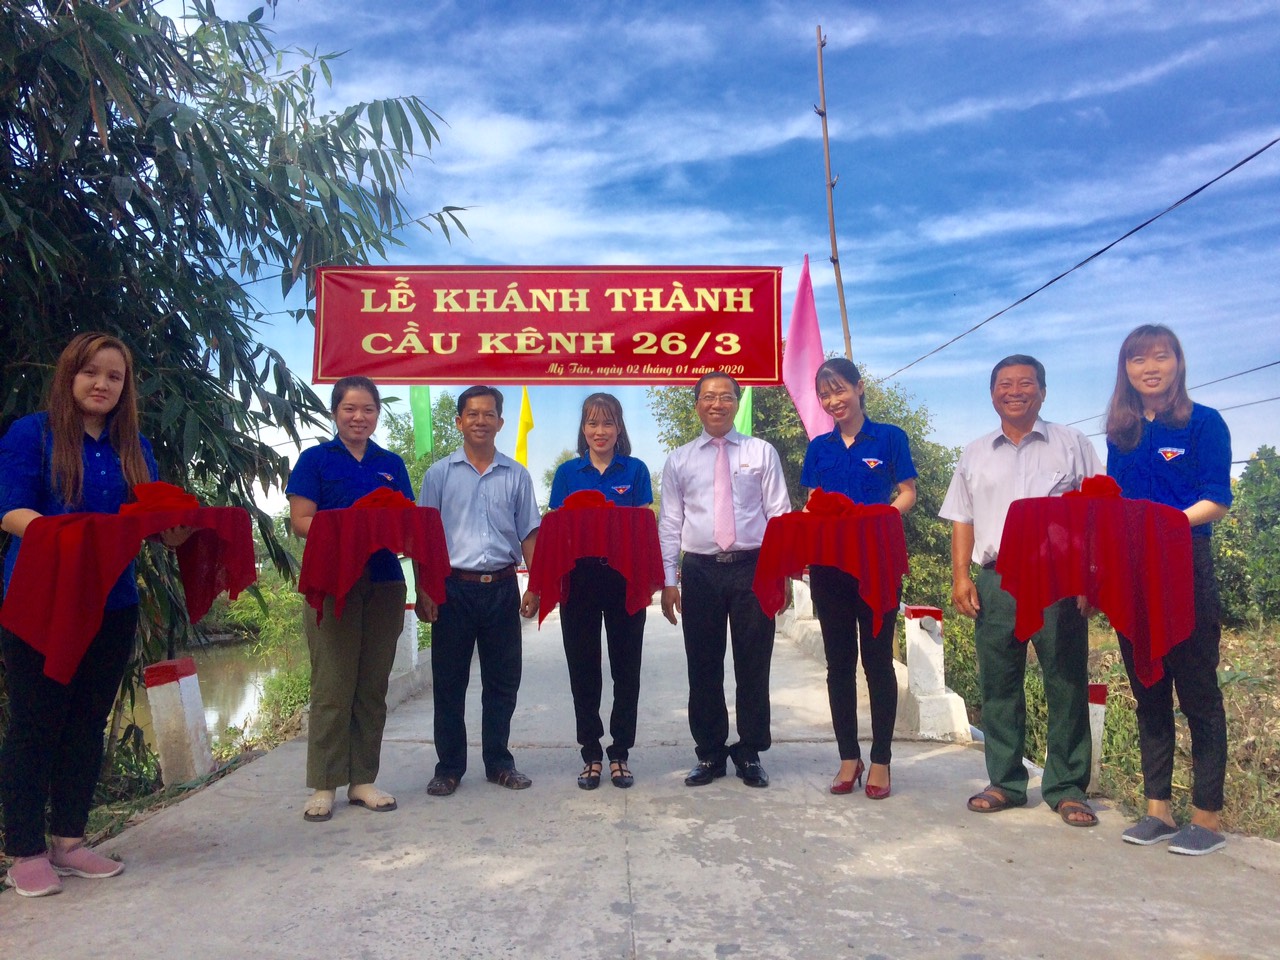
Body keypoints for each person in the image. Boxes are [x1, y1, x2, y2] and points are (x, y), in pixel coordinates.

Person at [0, 333, 181, 897]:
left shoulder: (135, 448)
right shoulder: (33, 433)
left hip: (112, 600)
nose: (102, 384)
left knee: (87, 722)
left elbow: (150, 523)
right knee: (35, 721)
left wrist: (179, 530)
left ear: (126, 388)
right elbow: (11, 510)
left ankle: (69, 842)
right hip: (42, 599)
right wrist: (70, 538)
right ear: (69, 375)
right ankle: (24, 850)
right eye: (91, 372)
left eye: (114, 377)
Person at [940, 354, 1103, 826]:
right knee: (999, 682)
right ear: (992, 394)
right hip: (997, 579)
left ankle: (1067, 787)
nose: (1015, 392)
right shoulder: (975, 452)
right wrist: (961, 577)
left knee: (1065, 680)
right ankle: (1006, 782)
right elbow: (962, 518)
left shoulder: (1072, 444)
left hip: (1058, 579)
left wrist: (1091, 577)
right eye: (1005, 384)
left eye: (1026, 383)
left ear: (1043, 392)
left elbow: (1097, 513)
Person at [1105, 325, 1232, 855]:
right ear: (1126, 370)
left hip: (1184, 565)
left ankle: (1207, 818)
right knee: (1148, 690)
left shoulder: (1204, 423)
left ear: (1177, 362)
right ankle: (1157, 810)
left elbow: (1217, 498)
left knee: (1198, 691)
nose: (1150, 367)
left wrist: (1167, 525)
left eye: (1161, 357)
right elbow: (1113, 503)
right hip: (1132, 571)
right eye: (1138, 360)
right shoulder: (1122, 432)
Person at [286, 375, 413, 823]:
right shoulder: (315, 460)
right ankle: (324, 784)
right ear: (335, 413)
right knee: (332, 685)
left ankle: (363, 780)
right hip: (332, 581)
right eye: (350, 409)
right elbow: (301, 519)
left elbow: (405, 520)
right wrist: (352, 531)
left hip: (384, 581)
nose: (359, 417)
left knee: (372, 686)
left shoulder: (390, 464)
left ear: (377, 414)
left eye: (368, 410)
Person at [659, 371, 790, 789]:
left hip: (753, 568)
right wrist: (669, 580)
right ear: (697, 404)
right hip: (700, 571)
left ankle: (750, 751)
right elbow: (670, 523)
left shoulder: (761, 452)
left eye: (726, 396)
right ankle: (711, 753)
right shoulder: (679, 460)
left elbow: (779, 516)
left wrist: (782, 573)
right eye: (708, 397)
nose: (717, 404)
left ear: (736, 401)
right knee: (703, 665)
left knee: (754, 663)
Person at [800, 358, 917, 799]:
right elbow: (813, 501)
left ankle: (881, 759)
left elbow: (907, 492)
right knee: (839, 664)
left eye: (840, 390)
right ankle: (848, 757)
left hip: (876, 564)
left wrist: (881, 518)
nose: (834, 401)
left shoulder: (889, 437)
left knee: (877, 661)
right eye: (825, 395)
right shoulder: (819, 447)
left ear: (859, 387)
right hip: (829, 566)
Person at [416, 386, 541, 796]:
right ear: (459, 421)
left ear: (500, 423)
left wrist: (536, 584)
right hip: (453, 589)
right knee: (449, 683)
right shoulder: (438, 475)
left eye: (489, 414)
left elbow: (529, 533)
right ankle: (449, 767)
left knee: (503, 682)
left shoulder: (517, 475)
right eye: (472, 414)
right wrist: (425, 589)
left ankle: (499, 763)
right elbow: (424, 538)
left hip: (502, 588)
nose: (481, 421)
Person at [548, 394, 653, 790]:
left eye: (608, 423)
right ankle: (591, 752)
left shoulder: (636, 470)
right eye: (592, 423)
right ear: (583, 429)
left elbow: (644, 530)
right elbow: (556, 530)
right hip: (579, 580)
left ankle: (620, 752)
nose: (600, 431)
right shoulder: (567, 473)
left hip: (623, 580)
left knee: (627, 670)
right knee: (584, 670)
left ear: (619, 427)